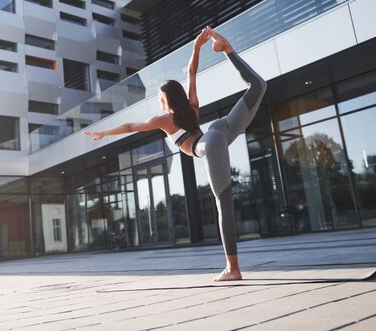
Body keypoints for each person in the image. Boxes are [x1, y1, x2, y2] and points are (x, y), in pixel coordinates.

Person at [84, 26, 266, 281]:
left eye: (159, 96)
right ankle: (227, 51)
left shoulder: (164, 120)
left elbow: (128, 126)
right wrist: (195, 48)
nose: (158, 99)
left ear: (165, 99)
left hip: (211, 143)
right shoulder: (191, 106)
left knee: (223, 204)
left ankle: (232, 269)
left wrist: (103, 134)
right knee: (258, 85)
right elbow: (191, 71)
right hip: (219, 130)